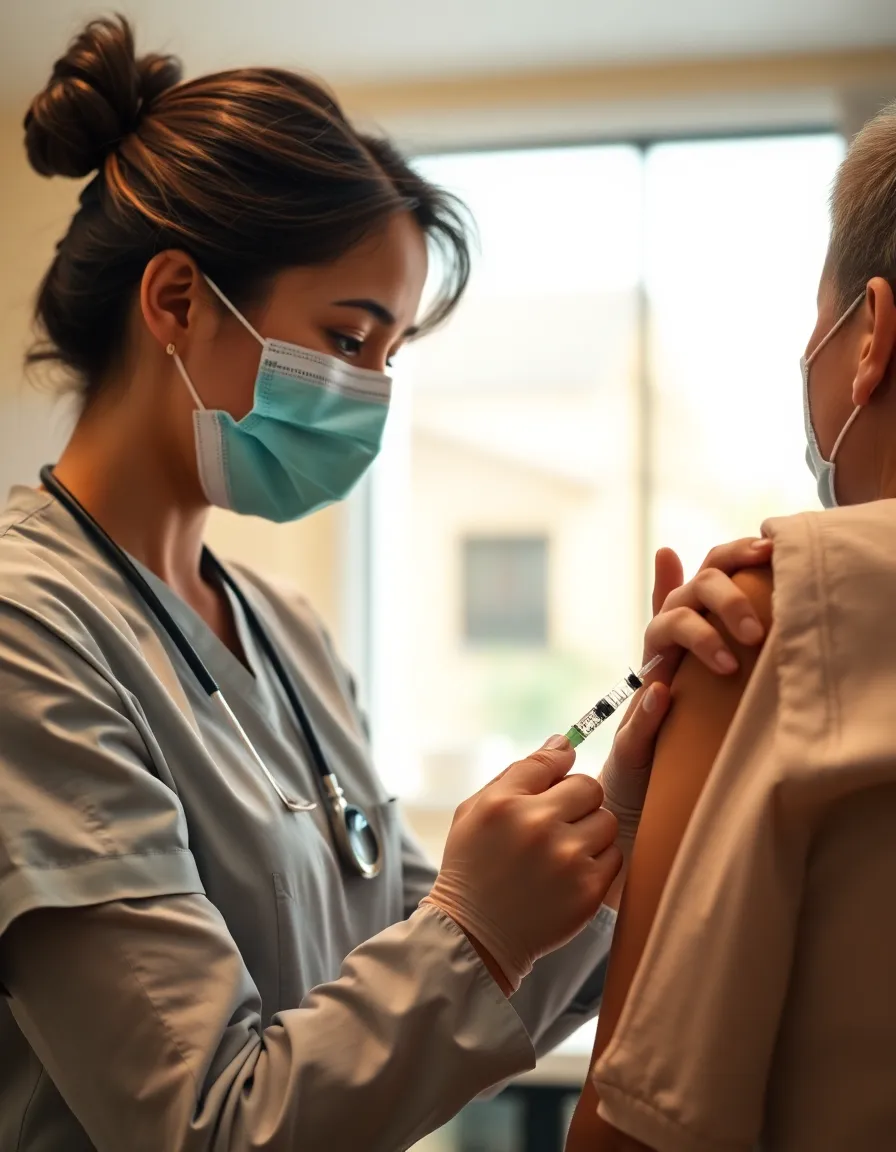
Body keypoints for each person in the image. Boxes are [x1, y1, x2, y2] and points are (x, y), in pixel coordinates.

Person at [0, 18, 772, 1152]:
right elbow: (210, 1124)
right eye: (348, 340)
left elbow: (414, 980)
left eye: (390, 356)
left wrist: (625, 804)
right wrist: (470, 925)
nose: (371, 395)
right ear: (175, 301)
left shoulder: (287, 633)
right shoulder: (29, 632)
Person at [565, 101, 896, 1152]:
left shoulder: (763, 619)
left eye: (815, 317)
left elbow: (634, 1125)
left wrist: (627, 813)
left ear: (868, 336)